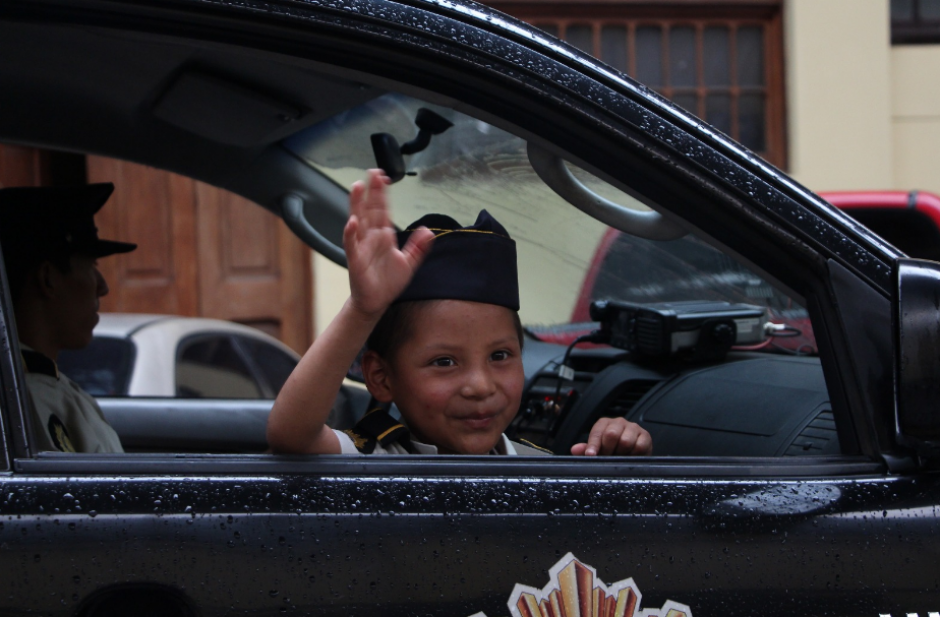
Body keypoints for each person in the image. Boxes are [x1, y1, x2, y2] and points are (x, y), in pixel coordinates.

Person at [267, 170, 652, 456]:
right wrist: (362, 309)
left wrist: (618, 462)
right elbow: (291, 434)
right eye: (445, 361)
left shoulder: (541, 466)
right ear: (381, 378)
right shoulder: (375, 461)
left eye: (500, 356)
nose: (480, 386)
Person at [0, 183, 136, 453]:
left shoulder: (43, 386)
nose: (103, 286)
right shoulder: (29, 396)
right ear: (48, 278)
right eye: (90, 267)